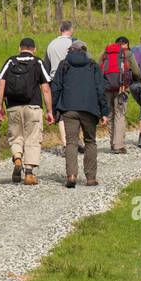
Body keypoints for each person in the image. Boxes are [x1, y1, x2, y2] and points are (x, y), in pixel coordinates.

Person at [50, 40, 109, 188]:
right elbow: (100, 90)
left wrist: (53, 109)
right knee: (90, 141)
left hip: (69, 108)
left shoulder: (64, 65)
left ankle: (71, 175)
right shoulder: (93, 65)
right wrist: (104, 112)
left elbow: (56, 88)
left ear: (71, 50)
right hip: (89, 109)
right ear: (84, 50)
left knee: (71, 142)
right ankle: (90, 178)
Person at [0, 36, 55, 185]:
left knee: (16, 136)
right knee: (33, 138)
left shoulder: (11, 61)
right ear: (34, 50)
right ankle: (29, 173)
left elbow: (1, 83)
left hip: (13, 106)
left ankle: (17, 158)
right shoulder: (37, 62)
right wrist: (49, 110)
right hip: (33, 106)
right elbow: (46, 88)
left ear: (19, 48)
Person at [100, 35, 134, 154]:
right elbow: (132, 70)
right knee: (120, 115)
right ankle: (118, 145)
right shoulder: (124, 54)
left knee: (110, 115)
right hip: (121, 88)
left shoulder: (104, 54)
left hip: (106, 88)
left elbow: (100, 71)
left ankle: (112, 143)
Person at [46, 20, 75, 153]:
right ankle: (74, 140)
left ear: (60, 29)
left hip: (54, 80)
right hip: (71, 79)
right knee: (75, 110)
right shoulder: (73, 43)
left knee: (60, 112)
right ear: (71, 29)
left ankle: (65, 143)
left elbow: (47, 65)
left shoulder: (51, 44)